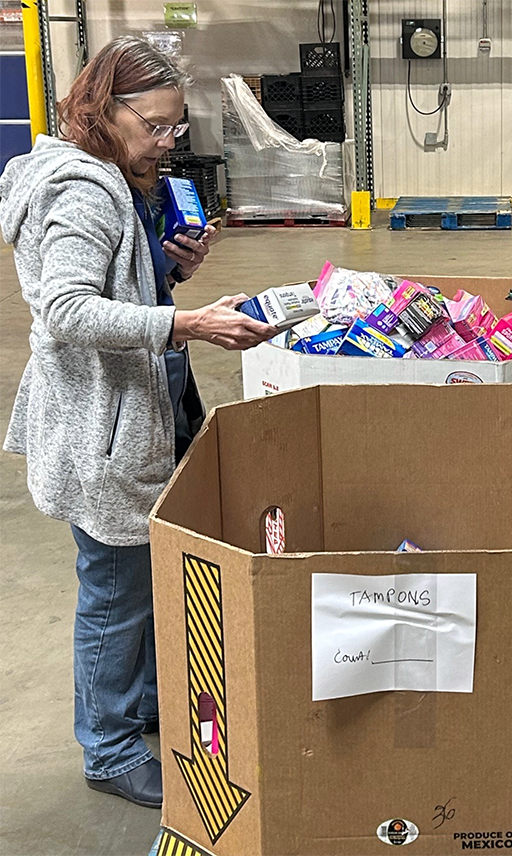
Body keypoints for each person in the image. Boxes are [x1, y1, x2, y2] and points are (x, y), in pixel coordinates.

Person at [0, 36, 278, 809]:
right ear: (102, 111)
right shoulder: (83, 192)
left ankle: (144, 704)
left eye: (175, 127)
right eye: (153, 126)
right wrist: (185, 323)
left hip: (147, 407)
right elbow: (63, 309)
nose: (166, 142)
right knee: (115, 591)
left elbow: (124, 279)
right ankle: (110, 747)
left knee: (149, 577)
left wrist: (173, 267)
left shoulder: (127, 179)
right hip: (102, 425)